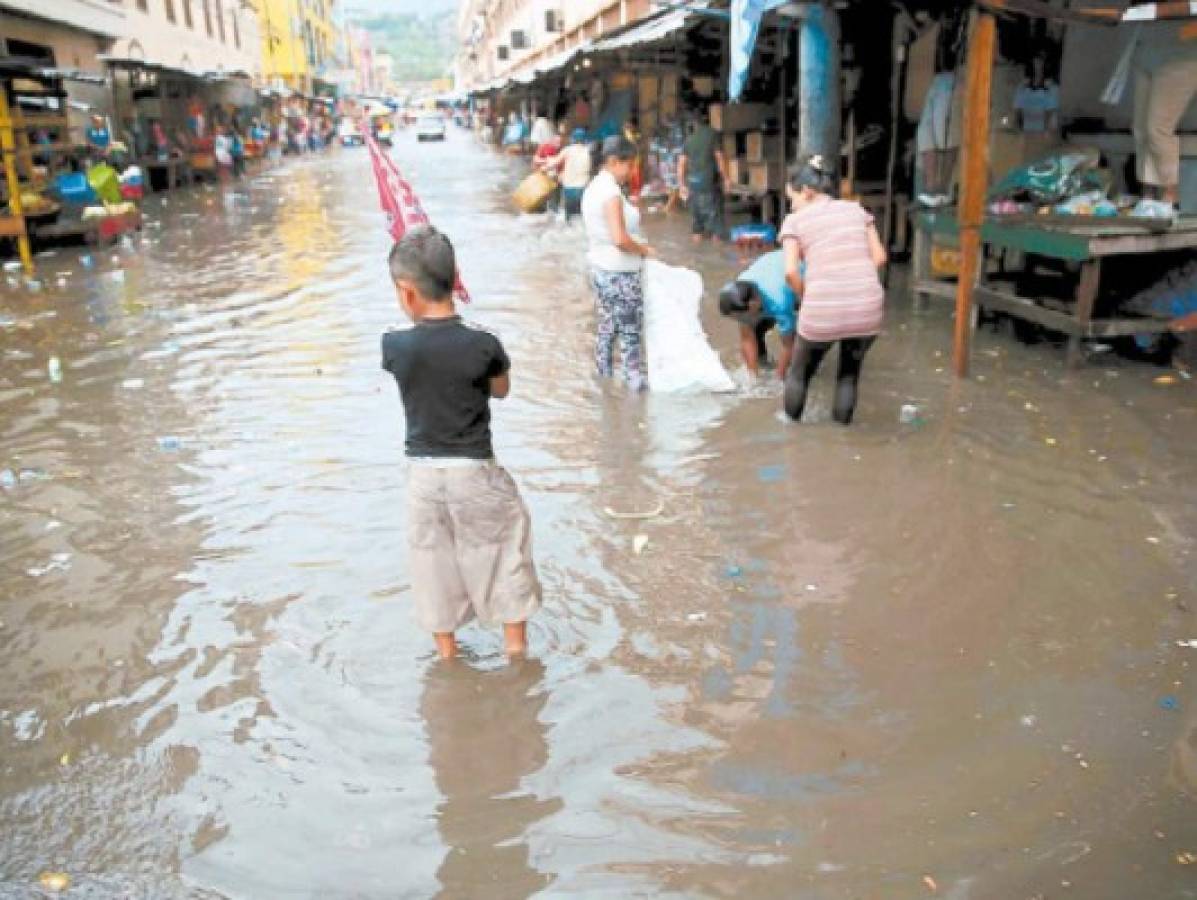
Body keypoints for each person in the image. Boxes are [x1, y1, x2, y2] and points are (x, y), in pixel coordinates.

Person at [380, 226, 541, 660]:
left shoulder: (394, 345)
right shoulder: (483, 342)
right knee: (504, 551)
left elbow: (417, 364)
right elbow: (501, 390)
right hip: (475, 471)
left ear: (406, 292)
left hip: (423, 477)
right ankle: (515, 652)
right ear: (457, 277)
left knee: (432, 566)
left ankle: (448, 656)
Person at [780, 156, 888, 425]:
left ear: (807, 191)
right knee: (848, 375)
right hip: (867, 305)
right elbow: (880, 257)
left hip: (822, 306)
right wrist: (853, 283)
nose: (792, 206)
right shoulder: (856, 210)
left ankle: (789, 433)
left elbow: (791, 272)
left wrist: (808, 297)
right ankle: (842, 433)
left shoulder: (795, 222)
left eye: (792, 199)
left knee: (799, 374)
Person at [581, 136, 654, 392]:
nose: (632, 171)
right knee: (631, 336)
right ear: (614, 162)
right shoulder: (610, 192)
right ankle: (635, 403)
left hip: (600, 270)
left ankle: (604, 388)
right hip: (620, 273)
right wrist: (645, 250)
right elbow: (620, 239)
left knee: (608, 328)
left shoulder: (593, 188)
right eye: (629, 164)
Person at [1131, 22, 1197, 220]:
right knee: (1140, 129)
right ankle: (1148, 198)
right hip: (1148, 48)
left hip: (1181, 54)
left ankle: (1170, 198)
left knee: (1158, 129)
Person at [718, 248, 798, 380]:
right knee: (754, 329)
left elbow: (789, 345)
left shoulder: (779, 300)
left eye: (741, 316)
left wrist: (779, 378)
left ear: (753, 304)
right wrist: (752, 377)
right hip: (772, 265)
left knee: (800, 334)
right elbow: (746, 338)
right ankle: (762, 363)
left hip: (797, 266)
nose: (740, 320)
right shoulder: (739, 291)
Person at [677, 111, 731, 243]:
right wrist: (726, 179)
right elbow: (719, 158)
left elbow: (681, 164)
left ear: (694, 124)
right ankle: (717, 257)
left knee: (697, 228)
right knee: (717, 231)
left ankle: (697, 258)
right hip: (709, 185)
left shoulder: (689, 139)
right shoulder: (713, 135)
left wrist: (682, 185)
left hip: (693, 186)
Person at [547, 128, 593, 220]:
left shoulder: (567, 150)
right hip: (583, 190)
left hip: (569, 190)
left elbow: (552, 164)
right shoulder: (589, 152)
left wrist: (548, 161)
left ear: (573, 139)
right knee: (581, 218)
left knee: (569, 220)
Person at [1014, 51, 1060, 135]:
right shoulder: (1023, 86)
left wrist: (1047, 131)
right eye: (1036, 61)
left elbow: (1051, 113)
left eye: (1041, 61)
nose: (1038, 64)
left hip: (1042, 132)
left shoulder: (1051, 87)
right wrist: (1018, 129)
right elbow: (1017, 111)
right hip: (1025, 132)